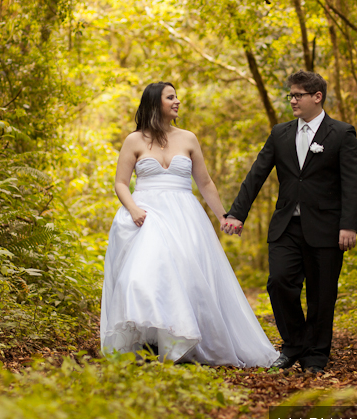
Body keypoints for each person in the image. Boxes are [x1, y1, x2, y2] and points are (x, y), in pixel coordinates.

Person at [100, 82, 279, 367]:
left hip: (185, 216)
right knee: (140, 276)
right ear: (155, 103)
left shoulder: (188, 138)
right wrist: (133, 209)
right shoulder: (134, 140)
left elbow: (205, 182)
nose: (177, 101)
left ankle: (181, 344)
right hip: (146, 214)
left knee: (186, 279)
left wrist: (223, 216)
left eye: (176, 96)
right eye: (170, 97)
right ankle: (149, 341)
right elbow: (121, 182)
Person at [222, 71, 357, 373]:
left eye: (298, 95)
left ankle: (316, 356)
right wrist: (236, 213)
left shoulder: (341, 134)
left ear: (317, 97)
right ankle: (294, 343)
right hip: (287, 226)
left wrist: (349, 224)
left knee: (321, 293)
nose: (292, 100)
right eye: (291, 95)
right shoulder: (281, 133)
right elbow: (257, 174)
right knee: (279, 283)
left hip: (326, 228)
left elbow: (353, 183)